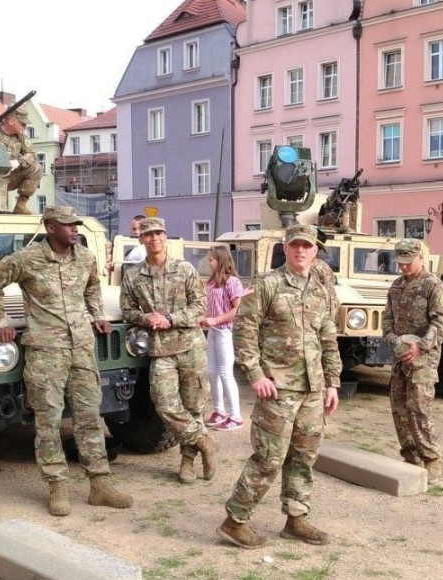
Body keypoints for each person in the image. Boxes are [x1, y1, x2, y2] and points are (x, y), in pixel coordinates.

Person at [0, 205, 133, 515]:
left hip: (81, 348)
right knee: (48, 421)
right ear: (50, 227)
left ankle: (99, 484)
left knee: (89, 417)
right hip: (46, 351)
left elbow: (93, 287)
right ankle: (57, 486)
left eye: (76, 224)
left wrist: (97, 314)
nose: (74, 229)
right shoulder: (26, 259)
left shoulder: (86, 257)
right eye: (67, 225)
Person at [217, 224, 342, 549]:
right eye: (295, 245)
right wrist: (255, 374)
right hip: (278, 388)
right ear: (285, 249)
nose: (301, 250)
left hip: (312, 389)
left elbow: (328, 338)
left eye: (307, 246)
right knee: (269, 457)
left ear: (315, 251)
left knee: (304, 455)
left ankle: (296, 518)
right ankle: (235, 520)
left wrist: (332, 383)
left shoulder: (320, 290)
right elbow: (244, 330)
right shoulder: (267, 284)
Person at [119, 217, 216, 484]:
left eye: (159, 233)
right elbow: (127, 310)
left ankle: (188, 462)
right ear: (141, 238)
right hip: (160, 350)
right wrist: (144, 318)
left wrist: (170, 319)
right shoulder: (133, 275)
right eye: (148, 234)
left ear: (165, 236)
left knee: (194, 406)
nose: (154, 238)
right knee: (163, 403)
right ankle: (203, 441)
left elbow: (200, 307)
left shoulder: (184, 269)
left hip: (190, 346)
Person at [383, 238, 443, 484]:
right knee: (399, 408)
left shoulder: (433, 285)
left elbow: (441, 322)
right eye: (400, 263)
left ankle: (431, 459)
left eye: (408, 262)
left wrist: (421, 346)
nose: (403, 267)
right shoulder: (397, 286)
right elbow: (388, 319)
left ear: (421, 258)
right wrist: (392, 339)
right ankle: (411, 458)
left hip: (423, 359)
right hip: (401, 357)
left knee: (419, 409)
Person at [200, 245, 245, 431]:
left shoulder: (232, 282)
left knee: (225, 372)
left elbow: (236, 310)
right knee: (212, 372)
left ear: (220, 261)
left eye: (211, 259)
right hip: (212, 331)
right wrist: (205, 319)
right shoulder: (212, 282)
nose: (209, 262)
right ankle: (219, 410)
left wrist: (215, 319)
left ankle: (236, 416)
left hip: (224, 331)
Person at [0, 105, 42, 215]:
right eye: (22, 123)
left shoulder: (21, 136)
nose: (25, 127)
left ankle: (20, 206)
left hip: (12, 175)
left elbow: (32, 155)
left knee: (36, 168)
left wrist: (19, 161)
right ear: (11, 121)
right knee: (0, 212)